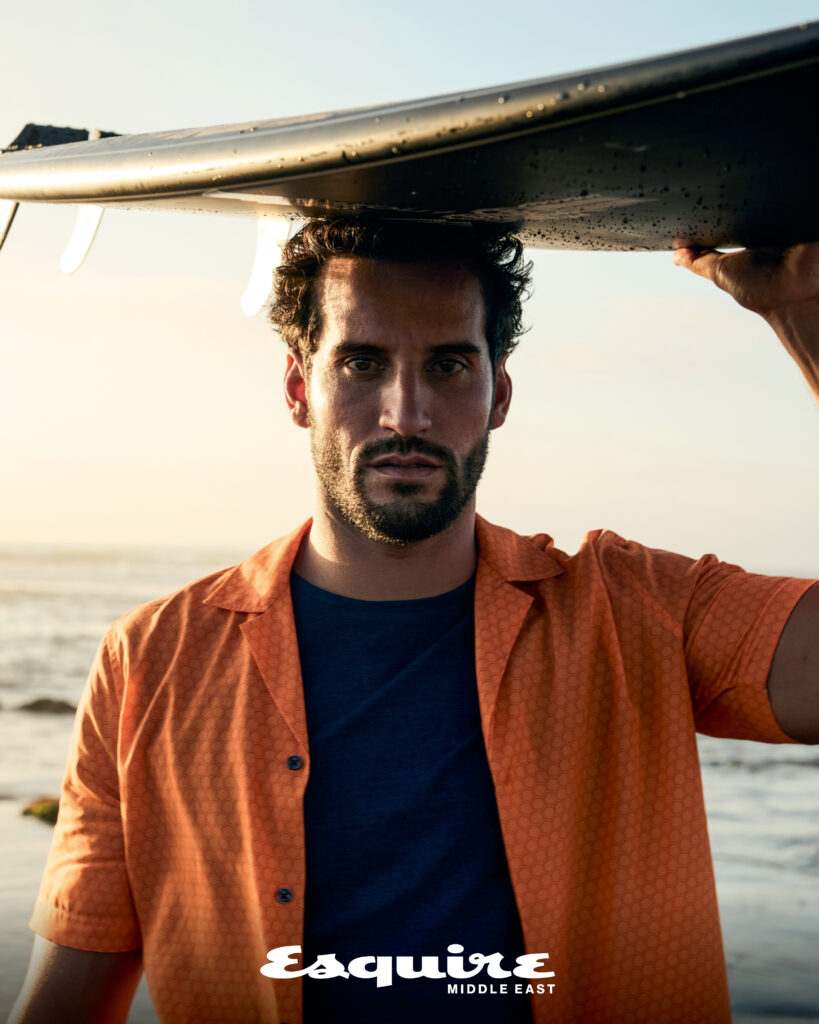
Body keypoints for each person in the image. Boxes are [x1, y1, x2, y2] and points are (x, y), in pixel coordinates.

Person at [9, 220, 819, 1024]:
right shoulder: (151, 660)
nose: (405, 413)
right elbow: (66, 1001)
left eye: (447, 364)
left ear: (497, 392)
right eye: (362, 363)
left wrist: (807, 320)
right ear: (299, 389)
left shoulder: (633, 611)